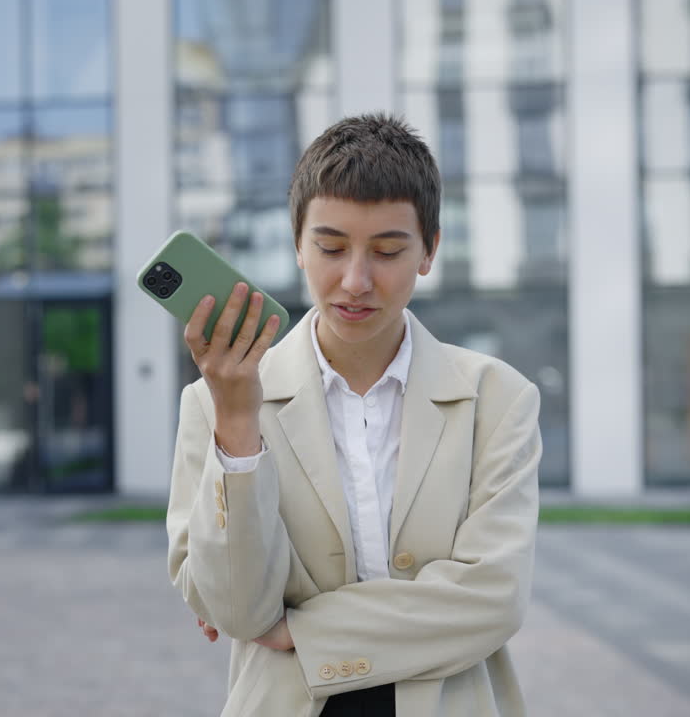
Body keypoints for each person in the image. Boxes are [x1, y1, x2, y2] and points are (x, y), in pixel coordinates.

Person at [166, 113, 541, 717]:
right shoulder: (211, 403)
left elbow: (494, 599)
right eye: (331, 247)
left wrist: (304, 632)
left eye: (388, 250)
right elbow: (237, 611)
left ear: (430, 250)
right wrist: (238, 426)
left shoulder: (497, 400)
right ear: (297, 245)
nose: (356, 280)